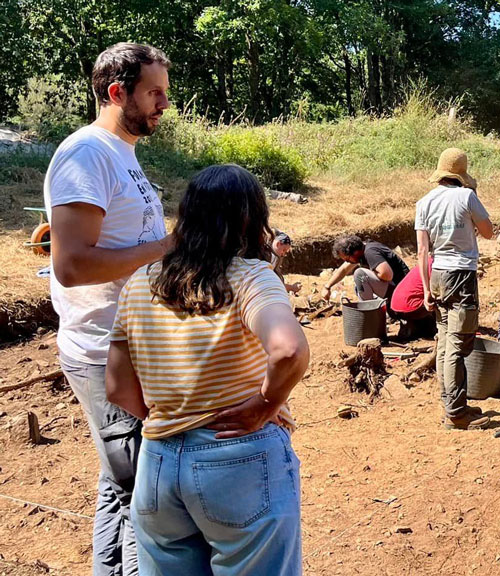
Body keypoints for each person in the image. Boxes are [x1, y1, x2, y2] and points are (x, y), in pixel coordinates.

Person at [105, 164, 309, 575]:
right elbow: (288, 349)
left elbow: (115, 386)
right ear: (251, 218)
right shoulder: (252, 277)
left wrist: (169, 417)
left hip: (159, 463)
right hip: (237, 457)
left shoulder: (141, 283)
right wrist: (266, 403)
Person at [43, 42, 173, 576]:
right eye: (154, 93)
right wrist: (171, 245)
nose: (164, 103)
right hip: (103, 351)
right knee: (143, 492)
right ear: (118, 93)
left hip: (130, 346)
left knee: (117, 482)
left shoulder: (123, 153)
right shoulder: (86, 154)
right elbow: (70, 265)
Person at [415, 148, 494, 430]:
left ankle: (451, 402)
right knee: (457, 348)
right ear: (461, 175)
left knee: (445, 341)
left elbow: (422, 252)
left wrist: (426, 289)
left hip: (437, 275)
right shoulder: (466, 196)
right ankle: (457, 414)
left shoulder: (424, 202)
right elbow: (489, 231)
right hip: (461, 275)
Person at [322, 235, 409, 309]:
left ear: (355, 252)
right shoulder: (362, 250)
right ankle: (379, 308)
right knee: (359, 286)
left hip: (402, 290)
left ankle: (369, 313)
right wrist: (327, 287)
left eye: (348, 259)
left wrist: (368, 273)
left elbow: (387, 275)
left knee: (360, 275)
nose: (348, 262)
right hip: (395, 287)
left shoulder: (370, 252)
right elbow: (344, 269)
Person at [389, 257, 437, 340]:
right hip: (409, 307)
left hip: (396, 304)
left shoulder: (427, 261)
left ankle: (415, 326)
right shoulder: (438, 265)